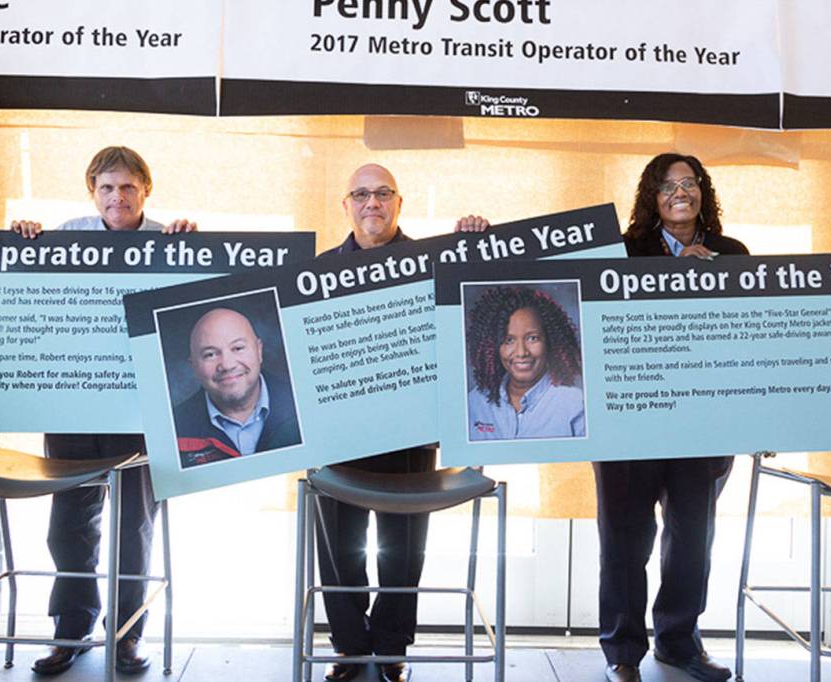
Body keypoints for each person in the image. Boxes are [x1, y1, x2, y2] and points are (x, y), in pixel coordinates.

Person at [13, 146, 195, 676]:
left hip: (140, 410)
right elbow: (27, 294)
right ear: (92, 192)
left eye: (128, 187)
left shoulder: (170, 239)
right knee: (68, 525)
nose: (118, 197)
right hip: (74, 402)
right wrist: (23, 239)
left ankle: (126, 635)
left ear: (146, 190)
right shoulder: (65, 236)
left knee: (133, 528)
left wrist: (198, 248)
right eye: (107, 188)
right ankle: (70, 632)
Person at [318, 163, 486, 682]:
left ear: (399, 203)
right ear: (346, 205)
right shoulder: (317, 273)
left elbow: (477, 307)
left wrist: (475, 244)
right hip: (338, 434)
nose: (372, 202)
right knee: (337, 544)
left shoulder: (434, 263)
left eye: (383, 193)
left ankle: (391, 647)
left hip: (412, 432)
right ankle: (350, 647)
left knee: (405, 545)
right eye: (361, 194)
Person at [595, 153, 748, 682]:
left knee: (691, 538)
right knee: (624, 538)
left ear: (703, 191)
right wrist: (673, 275)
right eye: (667, 185)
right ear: (651, 197)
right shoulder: (622, 251)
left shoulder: (732, 253)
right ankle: (622, 652)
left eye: (689, 183)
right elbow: (602, 321)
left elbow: (747, 329)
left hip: (702, 418)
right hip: (630, 419)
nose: (680, 192)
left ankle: (679, 642)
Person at [171, 306, 301, 466]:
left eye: (238, 348)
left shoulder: (305, 404)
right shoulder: (173, 432)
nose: (227, 365)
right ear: (194, 366)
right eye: (210, 354)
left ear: (259, 350)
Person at [465, 285, 585, 440]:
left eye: (532, 338)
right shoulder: (474, 404)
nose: (521, 352)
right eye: (508, 340)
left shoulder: (575, 405)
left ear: (550, 341)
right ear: (492, 346)